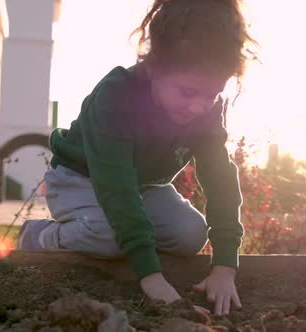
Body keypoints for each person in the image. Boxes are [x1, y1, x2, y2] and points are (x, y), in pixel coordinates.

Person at [18, 0, 257, 316]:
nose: (200, 106)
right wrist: (151, 276)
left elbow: (220, 179)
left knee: (191, 234)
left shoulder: (204, 111)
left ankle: (125, 238)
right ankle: (40, 236)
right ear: (155, 67)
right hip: (80, 178)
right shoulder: (115, 96)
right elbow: (116, 186)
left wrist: (225, 267)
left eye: (211, 95)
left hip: (143, 186)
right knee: (107, 236)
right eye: (187, 92)